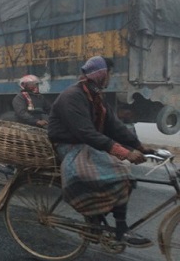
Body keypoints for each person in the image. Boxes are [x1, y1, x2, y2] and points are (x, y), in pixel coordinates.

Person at [48, 56, 155, 247]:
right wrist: (124, 153)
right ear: (100, 74)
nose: (110, 78)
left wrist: (139, 146)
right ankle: (120, 229)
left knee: (123, 177)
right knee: (121, 174)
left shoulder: (96, 97)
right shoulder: (72, 96)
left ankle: (97, 219)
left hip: (86, 145)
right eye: (109, 74)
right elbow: (86, 132)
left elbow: (115, 127)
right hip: (70, 147)